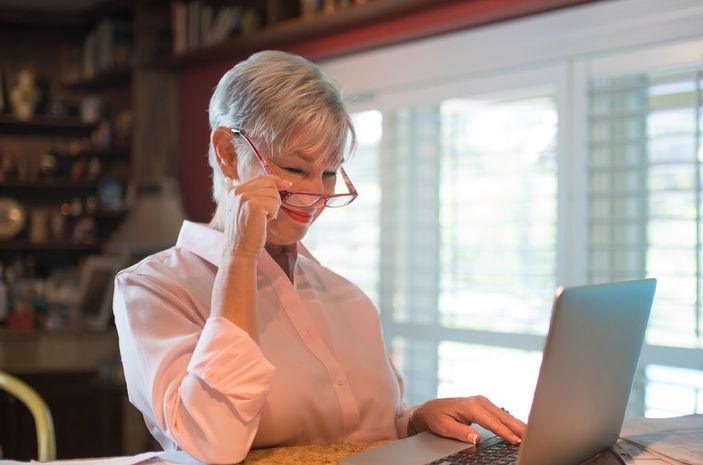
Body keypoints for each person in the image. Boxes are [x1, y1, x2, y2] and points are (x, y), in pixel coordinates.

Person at [113, 50, 525, 464]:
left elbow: (365, 433)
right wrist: (240, 255)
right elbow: (215, 442)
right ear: (225, 152)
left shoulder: (347, 296)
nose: (316, 196)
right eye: (295, 168)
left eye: (329, 173)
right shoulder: (152, 290)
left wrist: (415, 421)